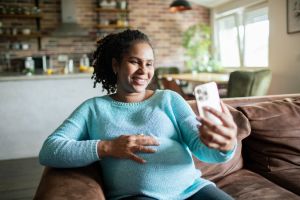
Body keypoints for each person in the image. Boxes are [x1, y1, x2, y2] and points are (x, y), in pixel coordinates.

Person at [39, 29, 237, 200]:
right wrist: (107, 147)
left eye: (149, 64)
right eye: (135, 62)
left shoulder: (170, 99)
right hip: (135, 196)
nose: (144, 71)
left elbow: (203, 150)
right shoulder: (93, 108)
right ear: (116, 65)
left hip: (192, 190)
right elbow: (49, 150)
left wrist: (225, 145)